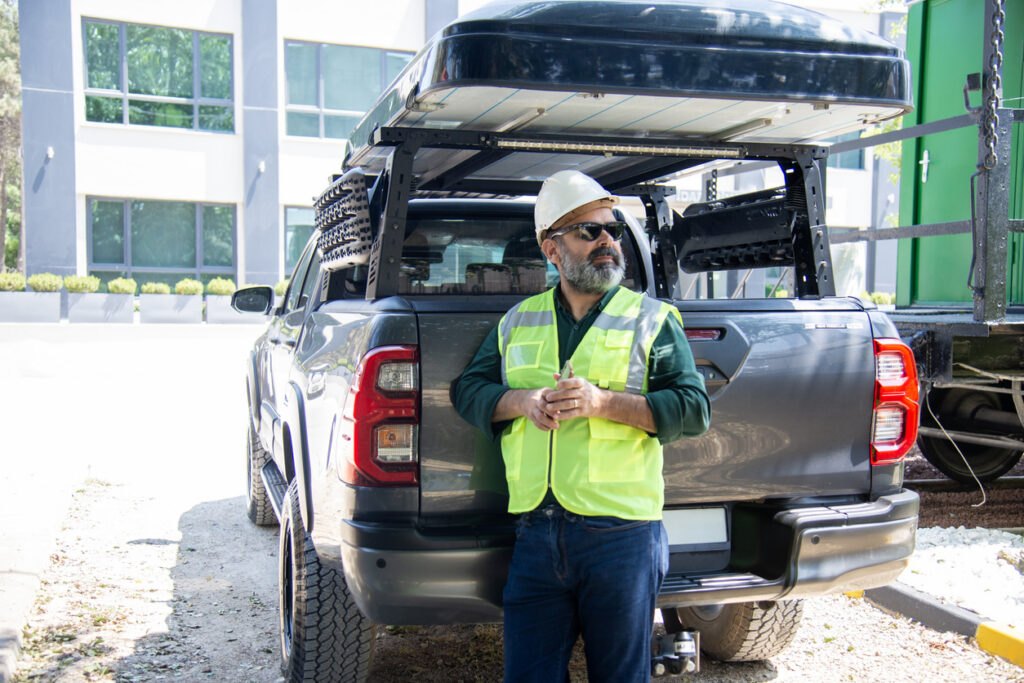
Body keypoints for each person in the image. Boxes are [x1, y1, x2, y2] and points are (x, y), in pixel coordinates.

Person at [452, 170, 711, 682]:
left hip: (621, 537)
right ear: (553, 250)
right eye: (588, 232)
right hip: (536, 533)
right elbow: (469, 391)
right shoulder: (517, 321)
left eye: (611, 229)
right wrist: (520, 401)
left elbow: (692, 409)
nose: (608, 242)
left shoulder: (651, 320)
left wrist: (602, 402)